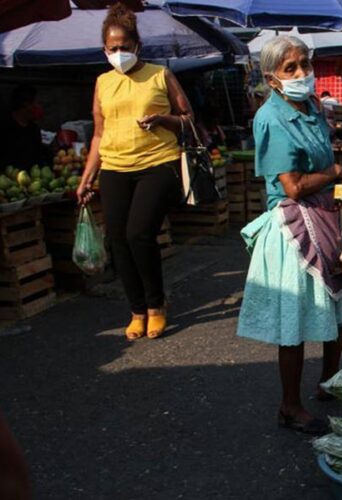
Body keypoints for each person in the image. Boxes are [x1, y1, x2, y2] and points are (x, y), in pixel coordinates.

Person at [236, 36, 342, 435]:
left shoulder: (311, 107)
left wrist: (338, 190)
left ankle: (329, 380)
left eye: (304, 64)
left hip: (324, 212)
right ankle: (289, 405)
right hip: (293, 224)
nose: (301, 74)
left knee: (341, 300)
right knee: (297, 317)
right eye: (290, 69)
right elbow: (291, 185)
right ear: (272, 79)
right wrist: (336, 173)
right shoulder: (271, 118)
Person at [76, 3, 190, 340]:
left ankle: (156, 306)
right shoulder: (102, 83)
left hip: (157, 163)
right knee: (117, 240)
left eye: (125, 47)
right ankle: (136, 310)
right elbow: (98, 133)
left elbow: (188, 118)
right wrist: (86, 178)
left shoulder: (159, 74)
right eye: (113, 48)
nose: (120, 53)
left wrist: (162, 119)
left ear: (137, 46)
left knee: (139, 234)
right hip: (114, 166)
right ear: (104, 50)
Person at [0, 85, 50, 170]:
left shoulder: (34, 130)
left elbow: (39, 156)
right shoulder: (4, 127)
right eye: (36, 103)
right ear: (26, 105)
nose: (38, 106)